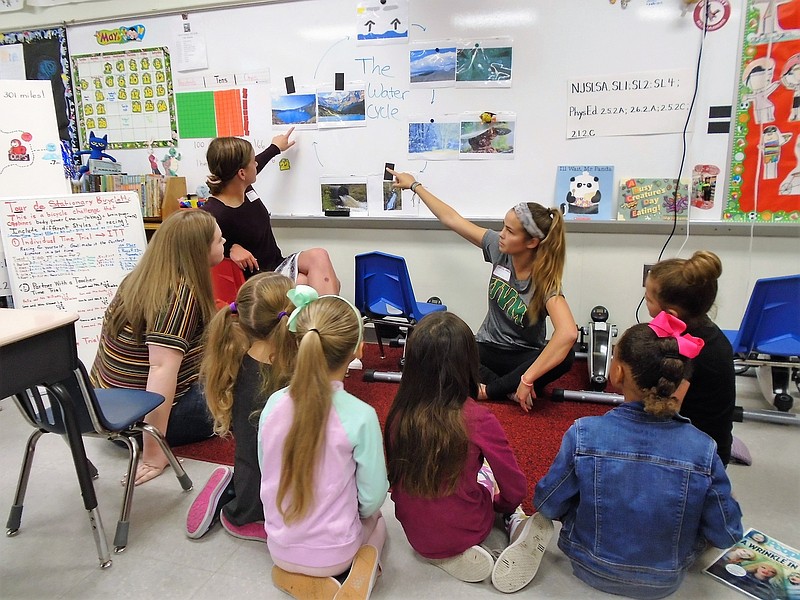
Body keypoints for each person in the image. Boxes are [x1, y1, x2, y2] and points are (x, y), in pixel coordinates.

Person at [534, 312, 743, 599]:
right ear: (682, 386)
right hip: (666, 580)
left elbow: (547, 504)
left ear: (616, 373)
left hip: (588, 565)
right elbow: (726, 534)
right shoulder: (703, 450)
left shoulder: (584, 434)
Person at [385, 311, 553, 593]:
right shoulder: (477, 418)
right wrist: (500, 506)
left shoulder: (398, 414)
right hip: (471, 525)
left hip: (416, 535)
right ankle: (516, 525)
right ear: (468, 363)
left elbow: (394, 477)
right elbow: (515, 487)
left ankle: (444, 551)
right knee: (489, 476)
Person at [388, 169, 577, 411]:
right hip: (486, 349)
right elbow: (452, 220)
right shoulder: (498, 249)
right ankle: (509, 388)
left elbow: (568, 333)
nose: (501, 234)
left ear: (531, 243)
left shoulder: (545, 281)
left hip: (523, 357)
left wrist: (528, 377)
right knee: (443, 344)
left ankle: (490, 390)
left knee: (566, 356)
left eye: (510, 231)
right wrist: (415, 185)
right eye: (503, 227)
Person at [258, 286, 388, 600]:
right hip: (337, 554)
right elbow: (372, 496)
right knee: (379, 521)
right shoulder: (361, 416)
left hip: (278, 548)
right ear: (358, 350)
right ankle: (362, 569)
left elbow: (267, 470)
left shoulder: (273, 404)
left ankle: (297, 575)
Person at [90, 209, 224, 485]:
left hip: (103, 409)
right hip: (136, 423)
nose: (224, 243)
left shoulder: (138, 279)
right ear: (198, 251)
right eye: (218, 240)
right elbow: (161, 369)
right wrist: (153, 452)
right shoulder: (179, 294)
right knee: (245, 371)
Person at [186, 272, 296, 542]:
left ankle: (228, 486)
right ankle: (232, 507)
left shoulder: (238, 361)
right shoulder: (296, 371)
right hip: (259, 496)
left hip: (262, 480)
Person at [201, 132, 340, 294]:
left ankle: (329, 315)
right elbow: (197, 250)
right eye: (253, 161)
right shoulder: (212, 213)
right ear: (241, 173)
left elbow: (258, 162)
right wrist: (229, 250)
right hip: (258, 280)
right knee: (307, 285)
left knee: (320, 257)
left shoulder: (243, 187)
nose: (256, 164)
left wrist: (275, 148)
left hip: (277, 264)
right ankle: (327, 316)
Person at [645, 250, 735, 464]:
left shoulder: (688, 350)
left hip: (699, 458)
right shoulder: (707, 332)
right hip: (714, 445)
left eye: (648, 299)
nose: (644, 301)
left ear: (671, 314)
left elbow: (666, 409)